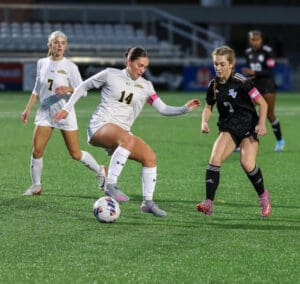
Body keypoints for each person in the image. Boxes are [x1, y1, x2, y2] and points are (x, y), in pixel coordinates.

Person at [54, 46, 200, 217]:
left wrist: (184, 109)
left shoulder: (146, 86)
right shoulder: (110, 74)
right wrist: (67, 108)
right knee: (128, 140)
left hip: (121, 136)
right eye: (139, 65)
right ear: (129, 62)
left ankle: (148, 202)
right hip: (100, 126)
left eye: (145, 66)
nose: (142, 70)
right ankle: (110, 184)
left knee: (150, 157)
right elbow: (83, 86)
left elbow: (163, 109)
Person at [21, 31, 106, 196]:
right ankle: (36, 185)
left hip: (64, 113)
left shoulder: (70, 67)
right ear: (50, 45)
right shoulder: (42, 63)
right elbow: (37, 88)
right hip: (45, 112)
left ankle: (100, 170)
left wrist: (68, 88)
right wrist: (27, 109)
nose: (59, 45)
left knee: (75, 153)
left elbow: (84, 91)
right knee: (36, 150)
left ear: (65, 46)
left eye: (62, 43)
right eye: (56, 42)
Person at [195, 45, 271, 217]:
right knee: (214, 158)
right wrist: (204, 121)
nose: (218, 68)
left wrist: (261, 124)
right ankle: (208, 203)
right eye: (216, 64)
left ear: (231, 64)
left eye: (222, 64)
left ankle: (263, 196)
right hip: (228, 128)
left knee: (246, 163)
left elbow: (263, 103)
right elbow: (208, 106)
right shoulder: (213, 84)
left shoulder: (241, 81)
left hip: (248, 128)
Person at [242, 30, 285, 152]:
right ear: (249, 40)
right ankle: (244, 142)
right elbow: (250, 71)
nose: (255, 42)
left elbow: (270, 71)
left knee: (270, 115)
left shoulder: (267, 51)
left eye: (257, 40)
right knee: (247, 112)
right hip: (254, 87)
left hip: (267, 87)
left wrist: (254, 73)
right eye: (252, 40)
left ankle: (280, 141)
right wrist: (248, 78)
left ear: (261, 40)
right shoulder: (248, 52)